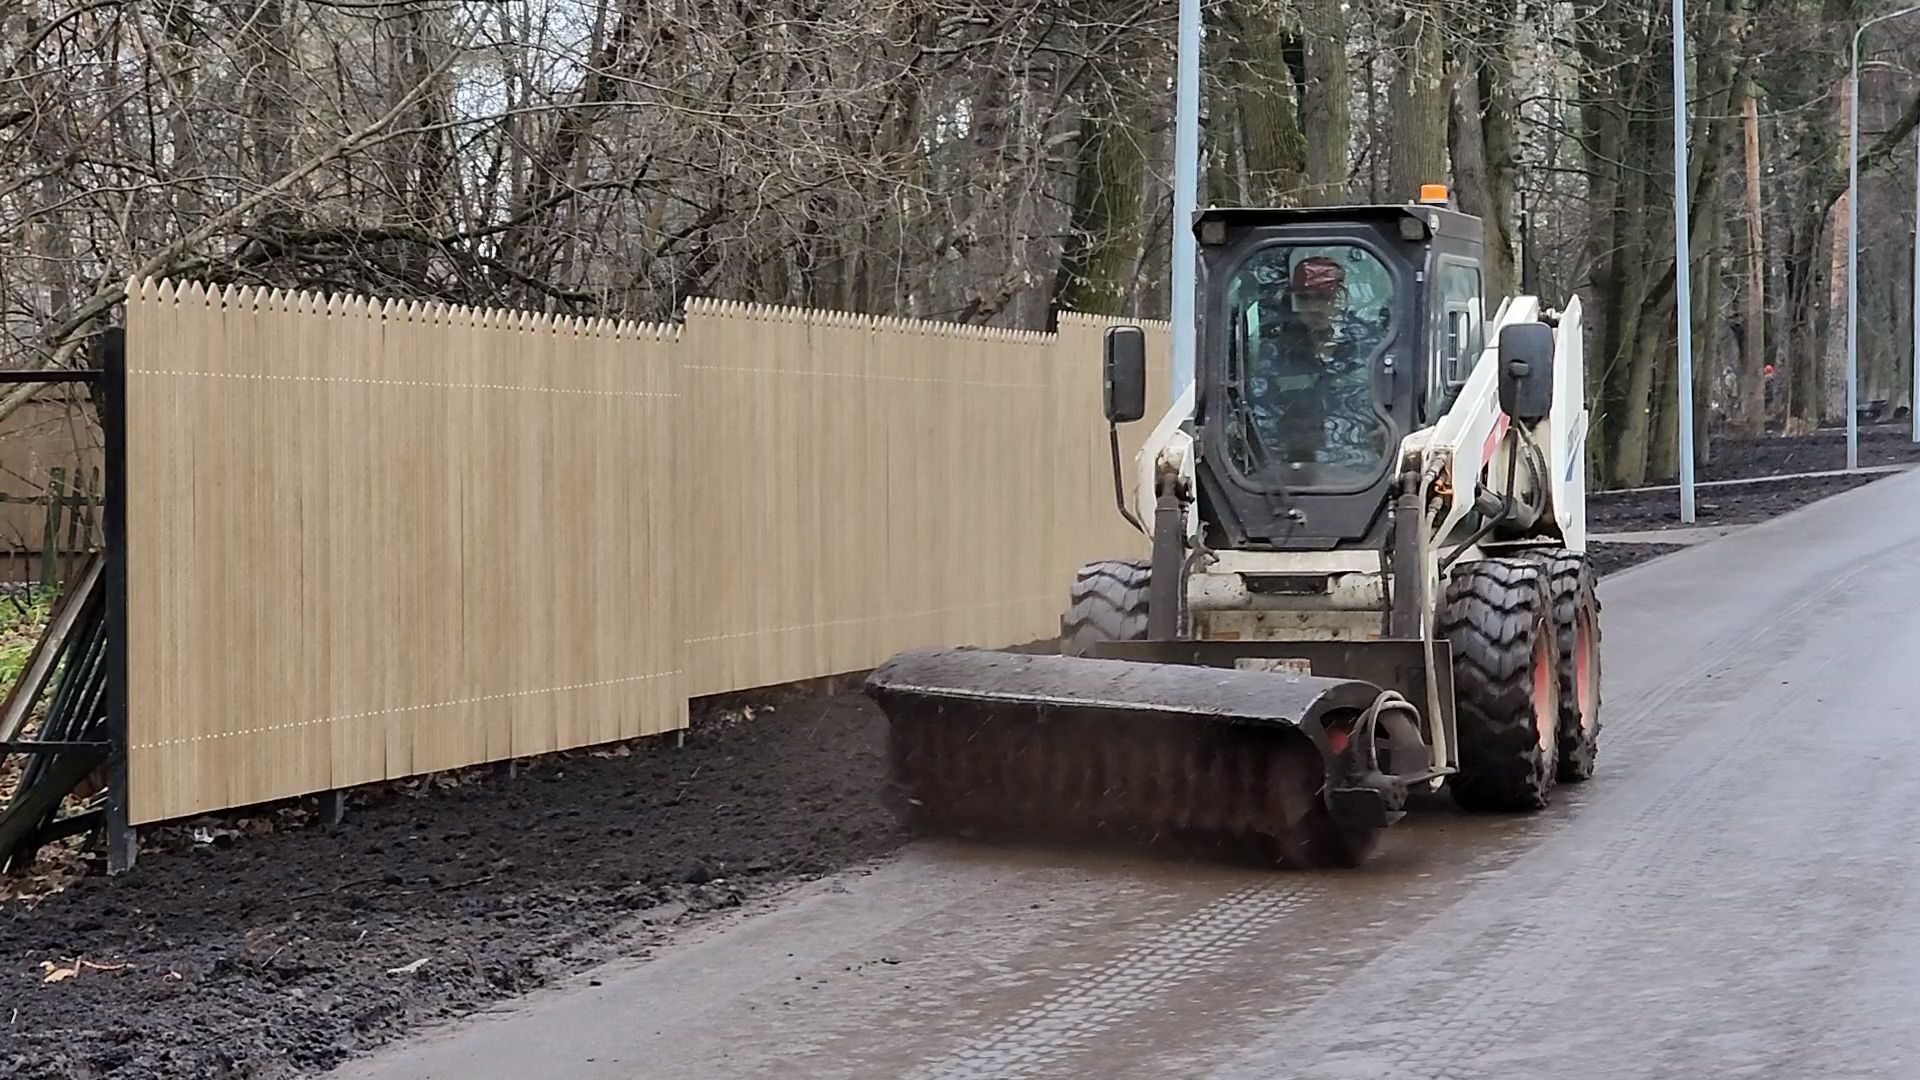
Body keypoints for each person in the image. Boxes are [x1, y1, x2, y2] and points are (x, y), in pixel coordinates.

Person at [1243, 253, 1388, 477]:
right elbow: (1262, 418)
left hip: (1365, 476)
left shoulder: (1371, 346)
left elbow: (1397, 401)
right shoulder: (1276, 354)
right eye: (1305, 299)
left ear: (1339, 298)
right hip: (1296, 479)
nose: (1314, 307)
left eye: (1323, 298)